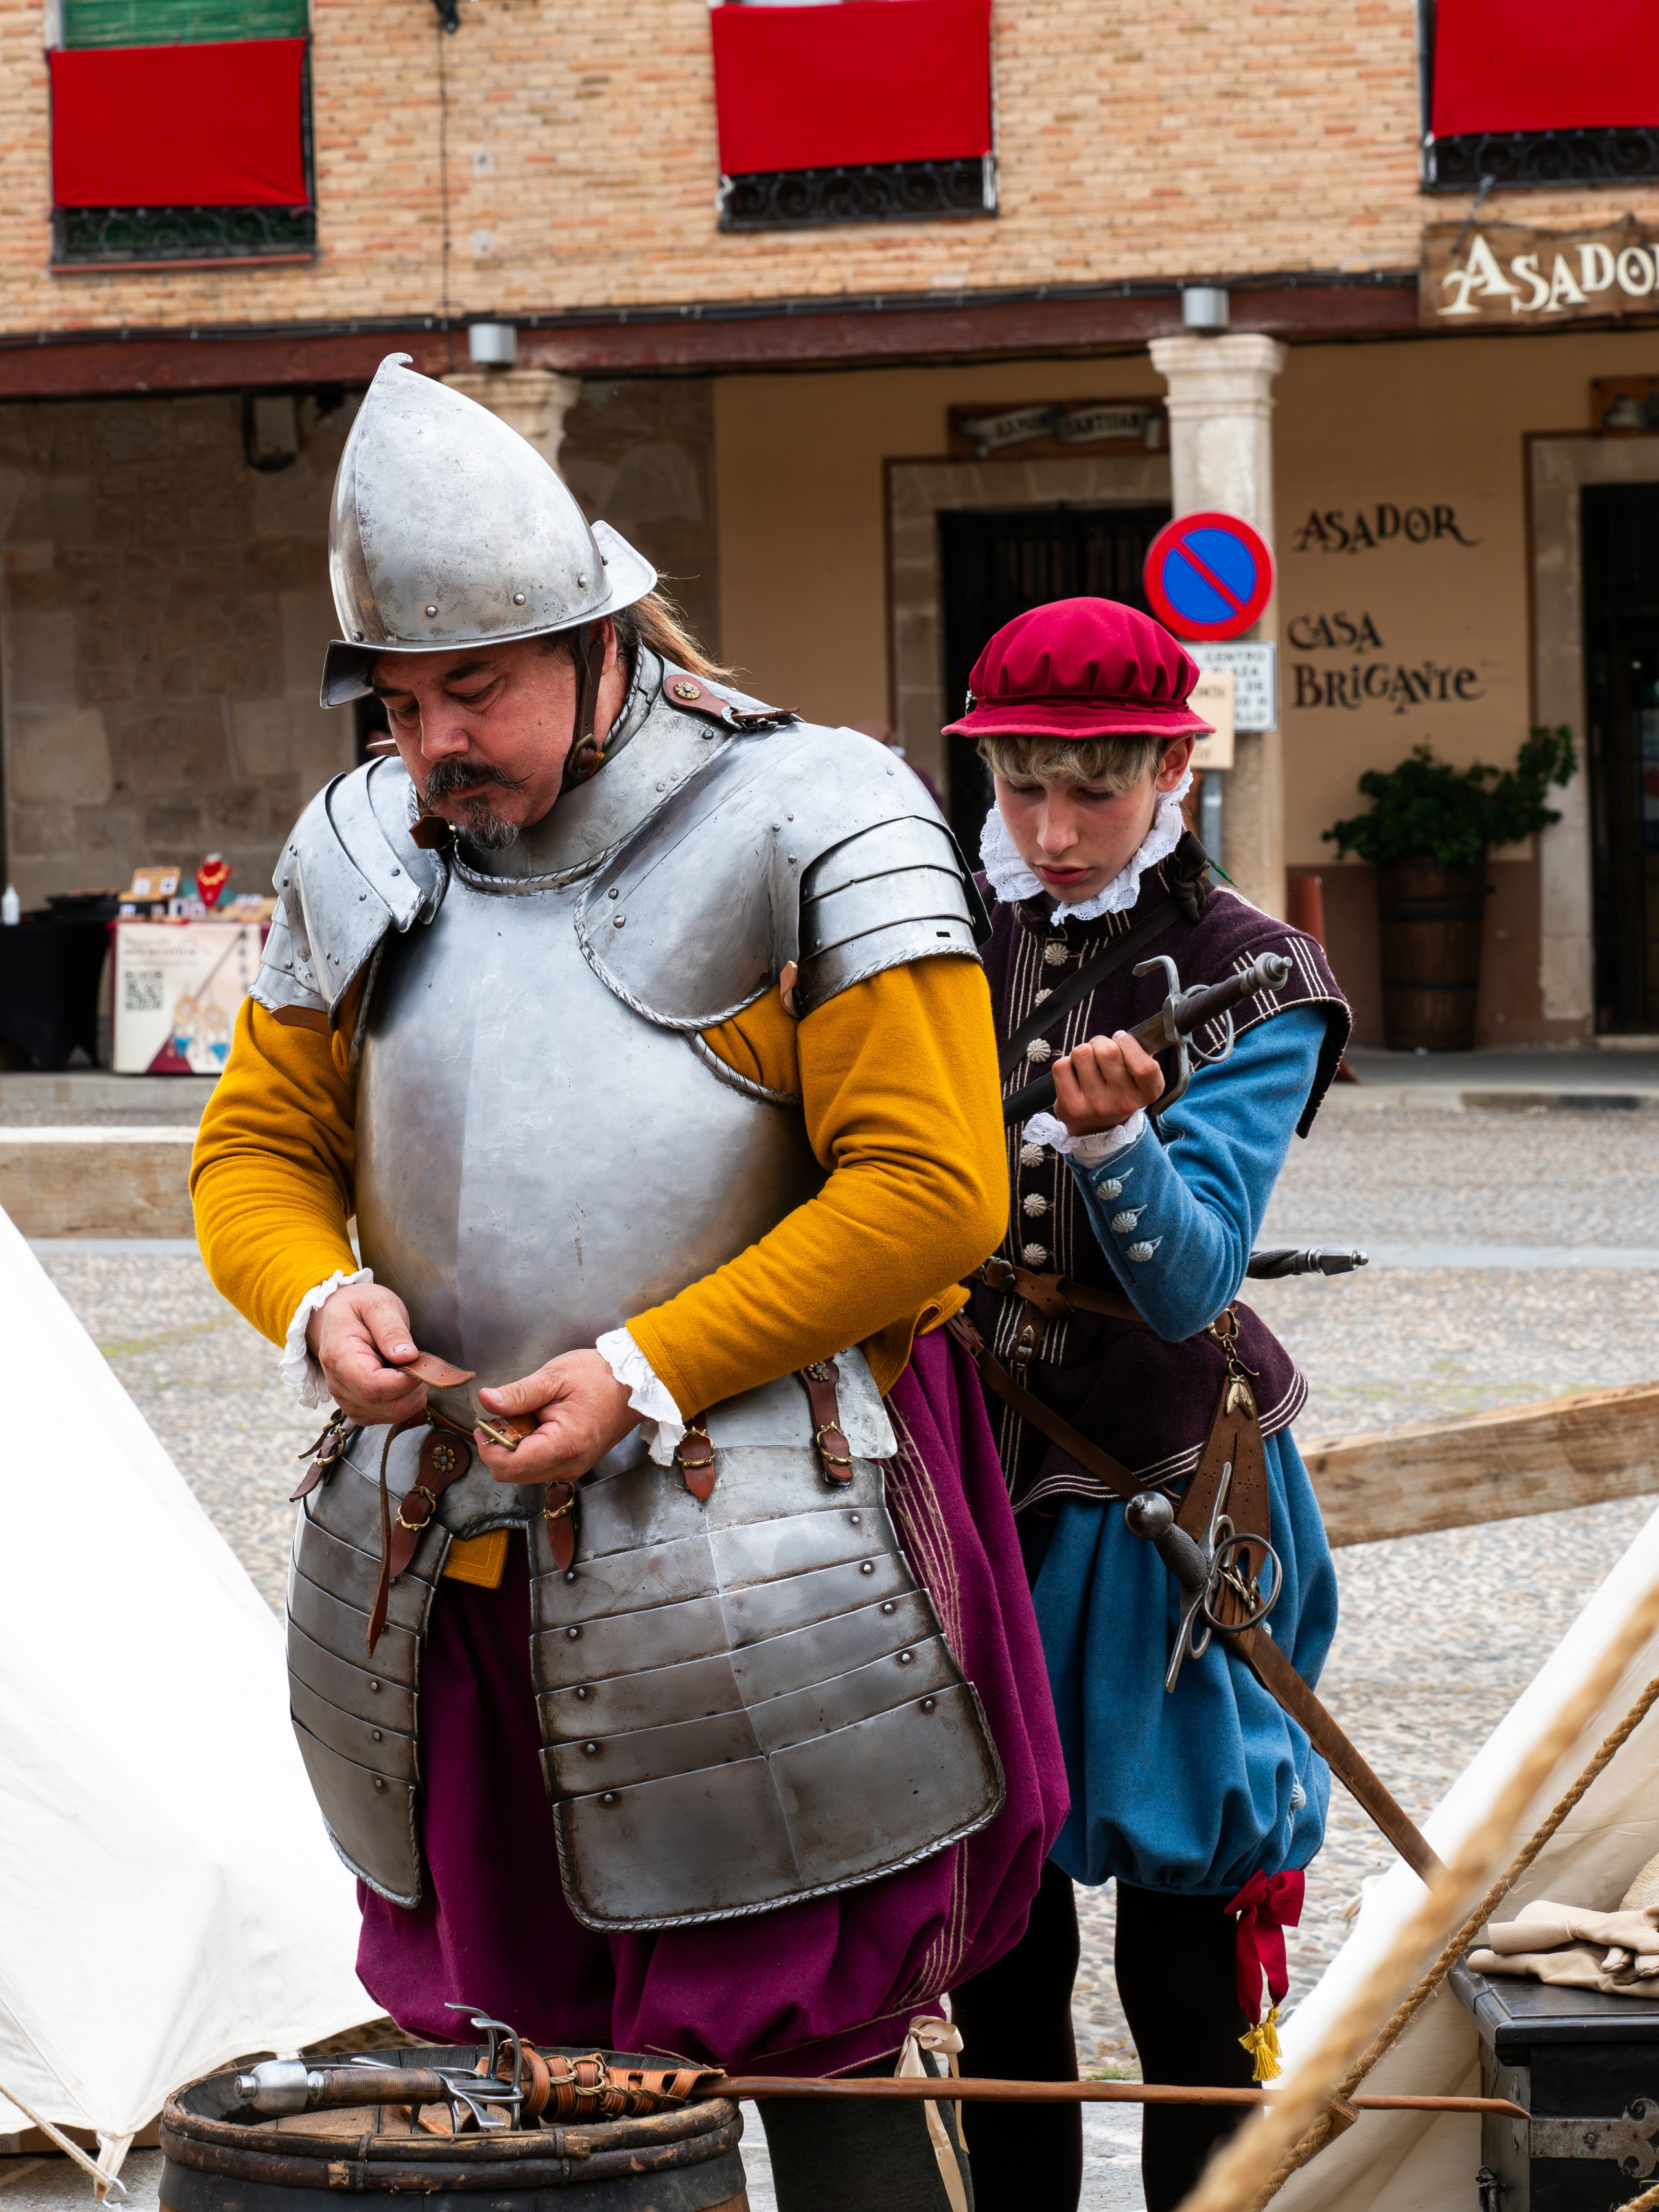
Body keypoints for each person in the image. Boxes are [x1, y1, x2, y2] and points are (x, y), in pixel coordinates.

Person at [191, 355, 1067, 2212]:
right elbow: (259, 1150)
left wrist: (650, 1361)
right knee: (514, 2062)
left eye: (477, 688)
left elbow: (931, 1190)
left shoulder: (817, 815)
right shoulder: (358, 845)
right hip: (452, 1548)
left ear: (601, 637)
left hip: (765, 1536)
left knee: (814, 2038)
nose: (434, 742)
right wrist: (309, 1300)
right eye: (402, 700)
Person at [943, 599, 1352, 2212]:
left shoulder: (1257, 978)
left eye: (1092, 792)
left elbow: (1189, 1288)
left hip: (1162, 1497)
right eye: (1023, 788)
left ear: (1170, 767)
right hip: (959, 1478)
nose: (1051, 832)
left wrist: (1115, 1147)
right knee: (998, 1953)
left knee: (1180, 1966)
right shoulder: (924, 931)